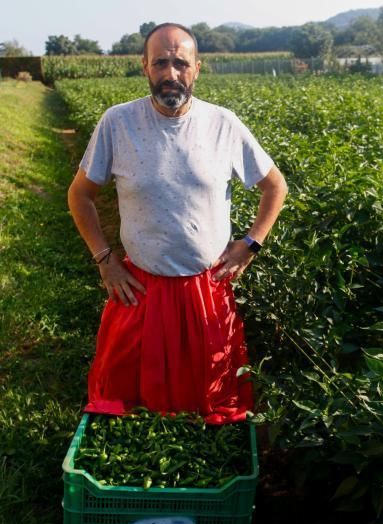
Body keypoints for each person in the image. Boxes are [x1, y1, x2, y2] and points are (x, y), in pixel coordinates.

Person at [67, 22, 287, 424]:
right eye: (161, 63)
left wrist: (251, 242)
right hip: (139, 290)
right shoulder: (118, 123)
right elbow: (79, 195)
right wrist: (104, 259)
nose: (171, 73)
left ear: (197, 69)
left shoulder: (223, 124)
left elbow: (275, 187)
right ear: (145, 68)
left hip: (205, 289)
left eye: (181, 63)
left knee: (207, 402)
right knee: (128, 403)